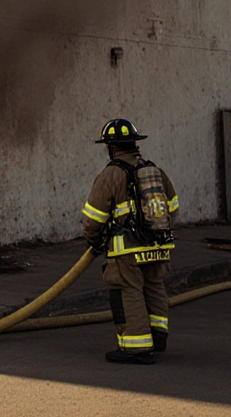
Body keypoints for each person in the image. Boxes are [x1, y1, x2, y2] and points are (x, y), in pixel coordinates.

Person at [82, 118, 179, 365]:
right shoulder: (154, 171)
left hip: (126, 251)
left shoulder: (111, 174)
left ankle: (136, 347)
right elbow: (173, 207)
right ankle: (157, 337)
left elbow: (93, 218)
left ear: (112, 148)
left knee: (129, 291)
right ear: (135, 143)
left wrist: (94, 241)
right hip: (157, 245)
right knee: (154, 286)